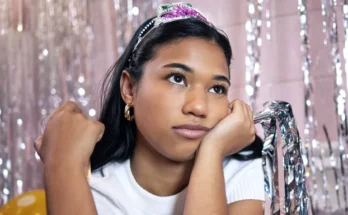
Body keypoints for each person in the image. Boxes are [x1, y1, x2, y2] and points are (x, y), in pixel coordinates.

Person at [34, 2, 265, 215]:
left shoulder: (244, 173)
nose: (198, 107)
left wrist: (212, 151)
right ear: (130, 89)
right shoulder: (94, 188)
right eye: (176, 78)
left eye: (216, 89)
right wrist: (64, 164)